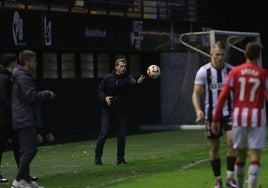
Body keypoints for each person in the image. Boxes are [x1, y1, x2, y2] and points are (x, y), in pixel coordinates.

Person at [212, 42, 267, 188]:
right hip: (256, 117)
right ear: (258, 56)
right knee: (254, 157)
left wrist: (215, 118)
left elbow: (222, 96)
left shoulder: (235, 72)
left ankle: (240, 185)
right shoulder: (262, 73)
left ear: (245, 54)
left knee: (240, 155)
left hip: (238, 117)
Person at [192, 41, 237, 188]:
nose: (220, 57)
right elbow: (196, 94)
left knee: (232, 142)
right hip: (211, 115)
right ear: (211, 54)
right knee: (214, 147)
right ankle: (218, 180)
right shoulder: (203, 71)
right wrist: (198, 110)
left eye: (223, 55)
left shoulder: (232, 71)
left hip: (228, 113)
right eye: (217, 54)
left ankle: (230, 178)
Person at [11, 50, 56, 188]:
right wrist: (47, 94)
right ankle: (19, 179)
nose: (36, 64)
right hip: (24, 118)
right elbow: (31, 97)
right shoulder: (23, 77)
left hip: (23, 117)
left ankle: (25, 180)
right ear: (27, 62)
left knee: (27, 150)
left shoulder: (21, 75)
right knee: (30, 150)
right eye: (34, 61)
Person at [94, 58, 145, 165]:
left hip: (120, 111)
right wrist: (105, 98)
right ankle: (97, 158)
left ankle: (120, 158)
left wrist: (138, 82)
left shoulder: (127, 78)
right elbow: (99, 90)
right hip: (108, 110)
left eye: (125, 66)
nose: (123, 68)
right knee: (104, 133)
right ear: (116, 67)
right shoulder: (108, 78)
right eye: (121, 66)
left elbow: (134, 84)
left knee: (121, 135)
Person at [0, 54, 19, 183]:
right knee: (1, 146)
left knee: (19, 145)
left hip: (10, 118)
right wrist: (14, 110)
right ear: (12, 63)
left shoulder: (9, 77)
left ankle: (22, 173)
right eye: (16, 63)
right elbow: (4, 97)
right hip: (4, 119)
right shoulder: (4, 77)